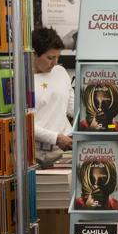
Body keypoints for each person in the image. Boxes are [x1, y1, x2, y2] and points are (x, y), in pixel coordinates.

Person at [33, 27, 74, 168]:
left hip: (63, 151)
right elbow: (24, 124)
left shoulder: (60, 72)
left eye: (57, 57)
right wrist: (55, 138)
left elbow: (72, 107)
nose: (55, 63)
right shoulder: (21, 81)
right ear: (34, 54)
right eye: (50, 58)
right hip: (34, 153)